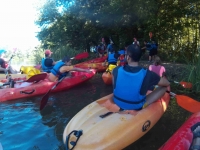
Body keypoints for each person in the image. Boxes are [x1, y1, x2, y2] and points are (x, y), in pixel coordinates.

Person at [112, 44, 170, 110]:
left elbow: (114, 82)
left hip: (117, 101)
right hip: (136, 106)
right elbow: (167, 83)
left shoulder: (116, 70)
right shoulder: (147, 73)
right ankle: (145, 104)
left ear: (128, 57)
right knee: (164, 87)